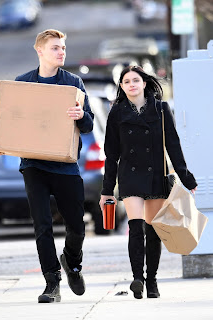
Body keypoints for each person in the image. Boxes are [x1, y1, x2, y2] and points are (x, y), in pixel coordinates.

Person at [0, 29, 94, 303]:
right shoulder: (23, 83)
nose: (61, 52)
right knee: (42, 225)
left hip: (65, 165)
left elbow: (88, 126)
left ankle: (72, 263)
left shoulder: (73, 83)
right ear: (39, 51)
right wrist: (3, 142)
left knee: (77, 225)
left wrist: (80, 114)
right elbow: (11, 121)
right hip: (34, 165)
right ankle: (52, 282)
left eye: (63, 47)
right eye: (55, 48)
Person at [99, 66, 197, 299]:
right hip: (130, 175)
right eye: (126, 81)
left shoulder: (161, 110)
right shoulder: (117, 112)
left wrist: (186, 178)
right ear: (121, 87)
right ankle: (137, 279)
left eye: (136, 80)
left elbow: (173, 145)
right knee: (135, 226)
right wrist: (106, 190)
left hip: (155, 175)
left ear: (144, 83)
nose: (131, 84)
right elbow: (111, 155)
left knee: (153, 230)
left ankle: (151, 280)